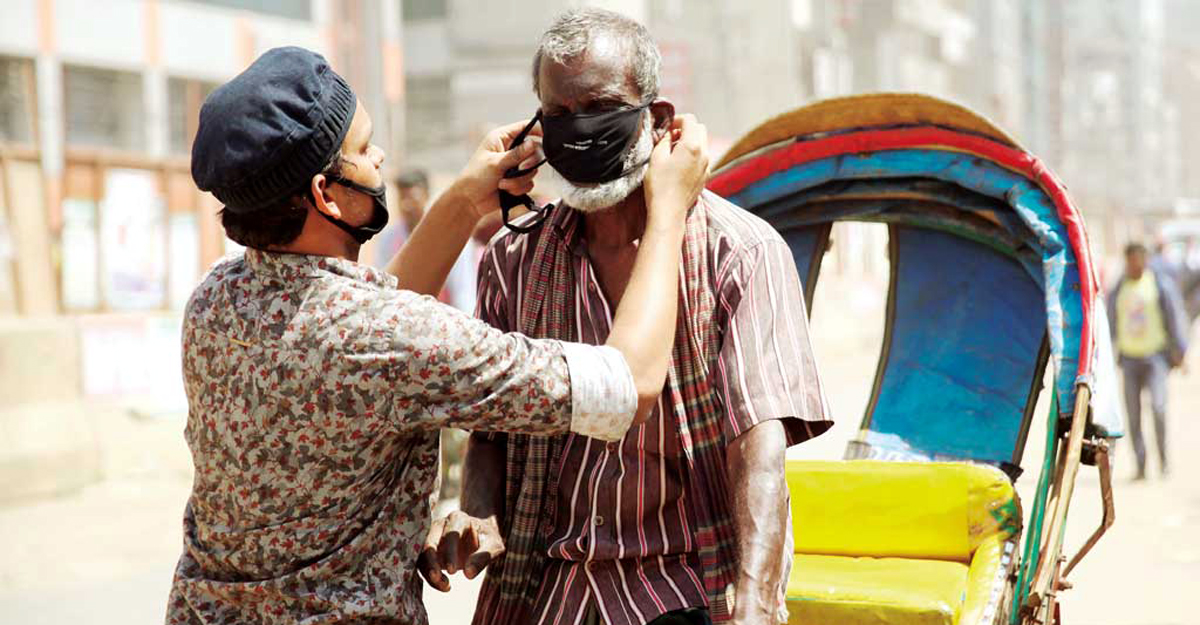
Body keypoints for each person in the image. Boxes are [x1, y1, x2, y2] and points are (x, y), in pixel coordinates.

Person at [167, 46, 710, 624]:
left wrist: (464, 200)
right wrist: (668, 211)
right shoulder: (392, 339)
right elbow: (627, 386)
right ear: (325, 194)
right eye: (363, 150)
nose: (380, 158)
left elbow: (369, 324)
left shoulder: (213, 301)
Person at [419, 10, 831, 625]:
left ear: (657, 118)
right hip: (544, 588)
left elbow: (759, 449)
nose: (581, 129)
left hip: (682, 586)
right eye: (560, 114)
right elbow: (492, 427)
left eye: (602, 107)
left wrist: (756, 602)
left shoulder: (741, 253)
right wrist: (477, 510)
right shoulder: (513, 259)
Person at [1107, 242, 1189, 480]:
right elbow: (1110, 322)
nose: (1134, 265)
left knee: (1158, 408)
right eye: (1130, 261)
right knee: (1133, 415)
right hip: (1129, 360)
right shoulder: (1119, 288)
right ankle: (1141, 465)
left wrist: (1180, 351)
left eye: (1138, 260)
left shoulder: (1159, 285)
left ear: (1145, 261)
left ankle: (1163, 461)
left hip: (1155, 359)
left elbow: (1175, 318)